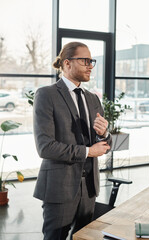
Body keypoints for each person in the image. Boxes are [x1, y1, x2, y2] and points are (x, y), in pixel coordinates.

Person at [33, 41, 112, 240]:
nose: (90, 66)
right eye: (85, 60)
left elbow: (104, 144)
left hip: (89, 190)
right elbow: (45, 147)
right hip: (60, 188)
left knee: (84, 238)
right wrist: (88, 151)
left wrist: (104, 135)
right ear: (67, 64)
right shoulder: (46, 95)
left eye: (91, 61)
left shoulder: (93, 98)